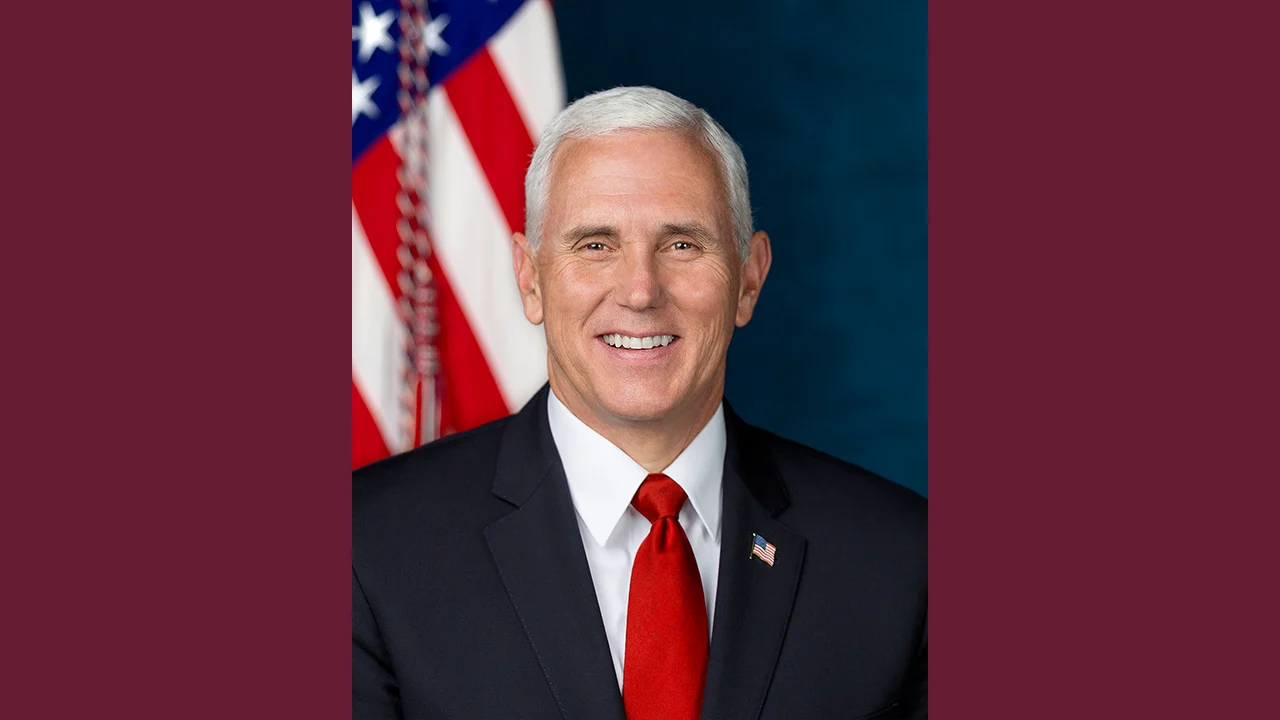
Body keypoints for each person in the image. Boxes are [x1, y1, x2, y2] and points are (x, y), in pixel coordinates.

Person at [353, 86, 926, 720]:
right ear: (530, 278)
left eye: (682, 244)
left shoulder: (903, 560)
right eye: (595, 244)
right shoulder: (367, 551)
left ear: (749, 278)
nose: (640, 290)